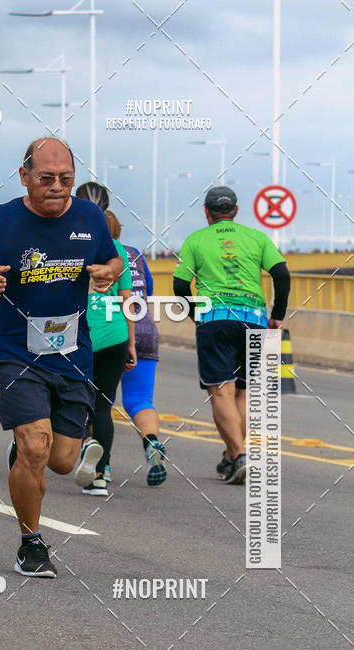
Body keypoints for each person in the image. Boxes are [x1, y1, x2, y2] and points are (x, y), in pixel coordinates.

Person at [0, 137, 122, 577]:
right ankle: (31, 544)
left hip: (73, 354)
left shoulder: (90, 216)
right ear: (24, 176)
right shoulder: (0, 220)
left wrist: (110, 271)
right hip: (17, 352)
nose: (57, 187)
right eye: (46, 178)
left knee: (63, 461)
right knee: (34, 447)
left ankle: (46, 448)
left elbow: (112, 260)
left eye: (66, 179)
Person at [173, 185, 290, 484]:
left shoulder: (196, 240)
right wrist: (276, 315)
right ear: (236, 211)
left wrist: (195, 315)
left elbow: (180, 285)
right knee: (244, 392)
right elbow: (281, 274)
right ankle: (232, 455)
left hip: (215, 319)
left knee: (220, 392)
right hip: (253, 318)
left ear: (207, 213)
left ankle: (239, 456)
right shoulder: (257, 237)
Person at [79, 208, 136, 497]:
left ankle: (85, 444)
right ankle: (101, 474)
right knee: (103, 406)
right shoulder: (117, 250)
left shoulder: (75, 240)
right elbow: (128, 300)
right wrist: (131, 343)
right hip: (116, 334)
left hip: (81, 333)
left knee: (74, 400)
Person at [121, 240, 167, 486]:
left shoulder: (90, 249)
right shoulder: (135, 252)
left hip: (110, 328)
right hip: (145, 327)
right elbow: (147, 289)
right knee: (139, 401)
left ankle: (99, 468)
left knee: (95, 399)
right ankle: (151, 442)